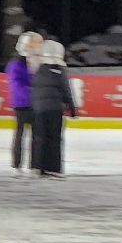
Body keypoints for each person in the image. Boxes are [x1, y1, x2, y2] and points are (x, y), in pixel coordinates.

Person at [31, 40, 77, 178]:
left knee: (39, 137)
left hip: (38, 109)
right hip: (54, 109)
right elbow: (66, 90)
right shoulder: (59, 70)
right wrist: (72, 109)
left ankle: (37, 166)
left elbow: (33, 89)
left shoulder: (38, 70)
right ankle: (53, 167)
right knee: (54, 138)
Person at [6, 32, 42, 175]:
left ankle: (34, 163)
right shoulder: (16, 64)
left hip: (33, 103)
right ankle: (17, 163)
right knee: (20, 133)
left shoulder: (35, 61)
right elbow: (17, 85)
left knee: (35, 135)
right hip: (22, 104)